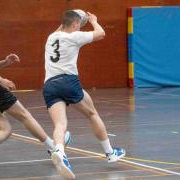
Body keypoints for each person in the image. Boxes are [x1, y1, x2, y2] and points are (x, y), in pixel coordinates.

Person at [0, 6, 70, 174]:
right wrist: (1, 79)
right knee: (24, 115)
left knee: (5, 129)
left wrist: (5, 63)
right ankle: (53, 148)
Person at [43, 10, 126, 179]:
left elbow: (65, 23)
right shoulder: (75, 36)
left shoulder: (51, 37)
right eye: (78, 24)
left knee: (60, 124)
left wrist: (77, 16)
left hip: (50, 85)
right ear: (75, 25)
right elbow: (101, 34)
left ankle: (59, 150)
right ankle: (110, 153)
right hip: (68, 82)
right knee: (92, 113)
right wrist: (93, 21)